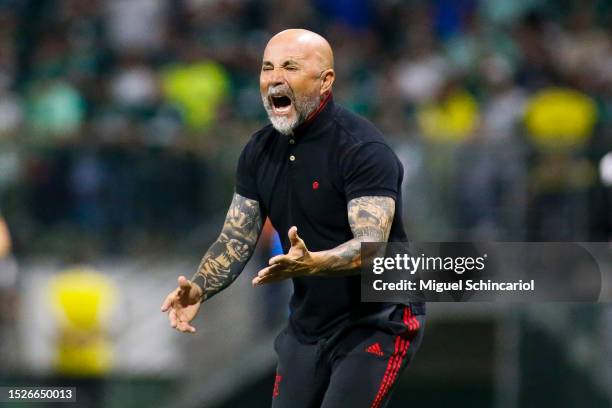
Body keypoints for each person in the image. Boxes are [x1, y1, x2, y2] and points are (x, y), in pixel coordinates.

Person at [161, 29, 425, 408]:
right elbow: (235, 240)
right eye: (267, 68)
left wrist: (315, 262)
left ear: (325, 81)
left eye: (290, 67)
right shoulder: (257, 152)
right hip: (309, 321)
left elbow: (372, 248)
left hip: (379, 318)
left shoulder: (362, 149)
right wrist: (201, 286)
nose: (274, 78)